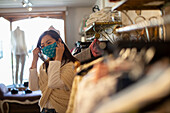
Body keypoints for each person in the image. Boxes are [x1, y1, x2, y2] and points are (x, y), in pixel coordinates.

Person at [29, 30, 78, 113]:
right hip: (44, 109)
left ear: (59, 42)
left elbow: (53, 83)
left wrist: (58, 56)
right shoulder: (44, 67)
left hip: (62, 110)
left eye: (49, 43)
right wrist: (34, 60)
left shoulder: (70, 65)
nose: (46, 47)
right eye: (43, 46)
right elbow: (33, 87)